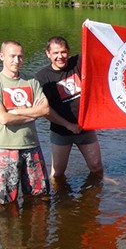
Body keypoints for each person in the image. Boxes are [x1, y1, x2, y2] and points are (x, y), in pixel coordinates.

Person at [0, 40, 51, 205]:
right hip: (6, 148)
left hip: (31, 144)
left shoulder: (31, 81)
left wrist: (18, 111)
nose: (16, 60)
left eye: (20, 56)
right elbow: (3, 118)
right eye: (12, 56)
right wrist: (32, 114)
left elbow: (45, 109)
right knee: (3, 201)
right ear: (1, 56)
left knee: (40, 197)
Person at [35, 36, 103, 179]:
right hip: (61, 131)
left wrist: (91, 30)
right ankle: (59, 200)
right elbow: (45, 111)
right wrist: (69, 125)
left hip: (85, 128)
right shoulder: (41, 78)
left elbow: (95, 50)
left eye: (63, 52)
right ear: (48, 54)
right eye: (55, 53)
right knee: (58, 173)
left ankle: (96, 191)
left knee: (96, 167)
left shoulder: (77, 63)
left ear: (69, 52)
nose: (60, 56)